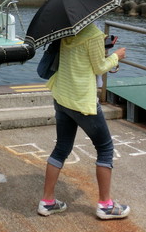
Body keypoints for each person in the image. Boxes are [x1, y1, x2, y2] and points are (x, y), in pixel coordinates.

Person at [37, 22, 130, 219]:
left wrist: (102, 50)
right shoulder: (94, 34)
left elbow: (79, 59)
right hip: (82, 100)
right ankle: (105, 205)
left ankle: (47, 201)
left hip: (62, 95)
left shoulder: (64, 30)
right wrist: (116, 56)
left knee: (61, 148)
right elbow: (99, 67)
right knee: (105, 148)